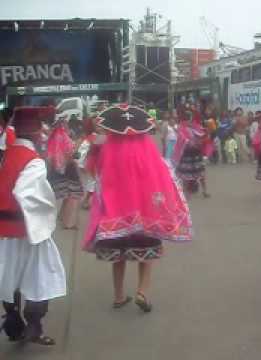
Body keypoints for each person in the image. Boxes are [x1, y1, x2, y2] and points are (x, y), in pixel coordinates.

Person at [83, 105, 192, 312]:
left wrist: (97, 145)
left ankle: (118, 296)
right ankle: (142, 292)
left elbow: (93, 171)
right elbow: (163, 177)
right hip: (144, 214)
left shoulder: (108, 147)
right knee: (146, 255)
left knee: (119, 257)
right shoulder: (147, 147)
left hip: (116, 216)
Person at [0, 106, 66, 346]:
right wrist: (44, 215)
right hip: (27, 230)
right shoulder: (33, 161)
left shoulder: (4, 154)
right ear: (37, 133)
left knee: (8, 278)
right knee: (40, 276)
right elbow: (25, 192)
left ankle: (14, 324)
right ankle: (33, 326)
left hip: (3, 230)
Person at [46, 115, 84, 229]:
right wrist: (78, 144)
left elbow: (51, 155)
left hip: (56, 170)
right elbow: (69, 154)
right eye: (65, 123)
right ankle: (69, 223)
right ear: (63, 125)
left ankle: (63, 217)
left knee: (66, 195)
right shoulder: (63, 137)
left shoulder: (53, 137)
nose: (67, 125)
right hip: (68, 169)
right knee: (74, 195)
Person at [172, 111, 212, 198]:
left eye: (189, 118)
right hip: (187, 153)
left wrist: (202, 138)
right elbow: (181, 140)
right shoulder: (181, 128)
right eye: (187, 118)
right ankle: (188, 193)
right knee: (187, 176)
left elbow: (204, 136)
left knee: (199, 174)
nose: (188, 120)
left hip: (195, 153)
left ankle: (203, 191)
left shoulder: (195, 127)